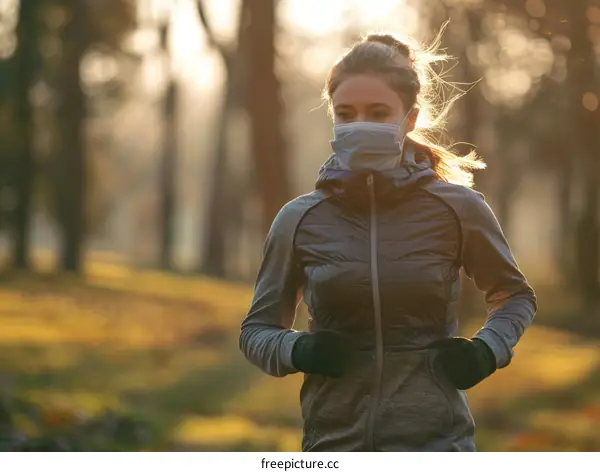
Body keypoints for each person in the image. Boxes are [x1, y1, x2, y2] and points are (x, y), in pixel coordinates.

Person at [238, 29, 537, 452]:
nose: (360, 125)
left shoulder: (458, 208)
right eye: (346, 113)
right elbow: (257, 331)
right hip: (333, 446)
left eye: (378, 113)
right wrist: (298, 350)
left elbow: (515, 296)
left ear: (409, 119)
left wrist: (487, 351)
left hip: (438, 444)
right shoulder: (300, 219)